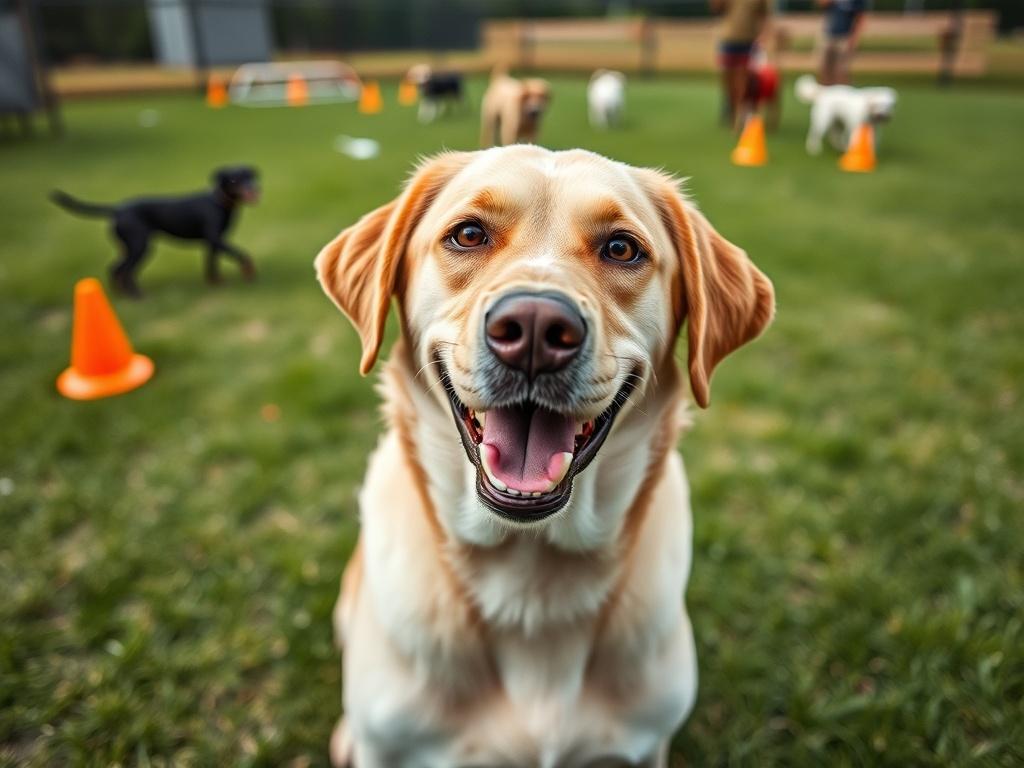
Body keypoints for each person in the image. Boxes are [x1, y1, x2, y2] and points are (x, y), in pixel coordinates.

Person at [711, 0, 770, 130]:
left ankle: (740, 115)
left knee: (743, 81)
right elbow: (716, 9)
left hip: (749, 41)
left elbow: (764, 14)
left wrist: (763, 34)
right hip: (728, 40)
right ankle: (733, 110)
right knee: (729, 81)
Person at [818, 0, 869, 85]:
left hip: (845, 36)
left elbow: (860, 17)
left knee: (842, 71)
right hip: (828, 35)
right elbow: (821, 4)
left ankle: (844, 94)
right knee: (825, 69)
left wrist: (854, 38)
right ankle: (826, 95)